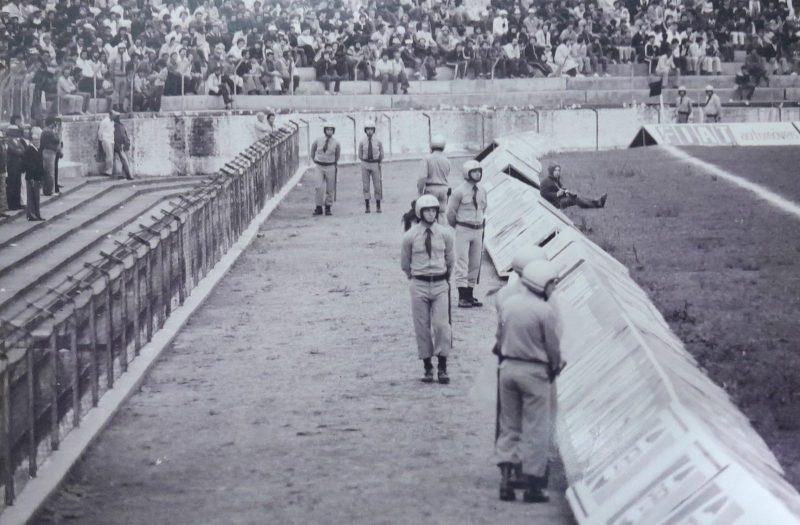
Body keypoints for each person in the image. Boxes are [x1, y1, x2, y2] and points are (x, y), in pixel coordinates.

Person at [495, 260, 563, 503]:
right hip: (534, 372)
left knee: (509, 424)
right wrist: (555, 367)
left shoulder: (509, 304)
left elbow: (498, 337)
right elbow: (552, 348)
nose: (553, 288)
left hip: (508, 368)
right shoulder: (545, 311)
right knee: (536, 427)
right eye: (551, 284)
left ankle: (505, 479)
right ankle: (533, 484)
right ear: (541, 284)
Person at [400, 194, 456, 384]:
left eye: (434, 210)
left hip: (440, 284)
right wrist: (415, 277)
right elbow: (405, 263)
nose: (431, 214)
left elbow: (451, 259)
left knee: (442, 325)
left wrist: (444, 278)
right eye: (427, 211)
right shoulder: (410, 236)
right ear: (420, 213)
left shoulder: (446, 234)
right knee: (422, 327)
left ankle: (442, 365)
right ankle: (427, 366)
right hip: (419, 285)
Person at [446, 160, 487, 309]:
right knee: (462, 261)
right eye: (474, 171)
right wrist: (458, 225)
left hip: (478, 229)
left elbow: (484, 208)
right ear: (467, 173)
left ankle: (470, 294)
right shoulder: (459, 192)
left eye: (479, 171)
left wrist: (479, 223)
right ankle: (462, 296)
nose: (477, 174)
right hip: (463, 228)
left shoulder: (482, 190)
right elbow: (450, 213)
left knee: (475, 262)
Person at [540, 165, 606, 209]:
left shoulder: (555, 179)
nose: (557, 172)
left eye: (558, 170)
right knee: (575, 199)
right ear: (551, 171)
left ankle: (596, 201)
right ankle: (596, 205)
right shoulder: (545, 182)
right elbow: (543, 194)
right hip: (555, 204)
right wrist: (556, 194)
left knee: (576, 196)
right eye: (555, 170)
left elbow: (560, 188)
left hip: (560, 200)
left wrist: (565, 191)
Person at [418, 135, 451, 221]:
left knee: (430, 215)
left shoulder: (427, 159)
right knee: (442, 214)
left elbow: (423, 177)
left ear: (431, 146)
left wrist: (420, 192)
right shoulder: (447, 160)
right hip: (444, 189)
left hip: (431, 188)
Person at [310, 124, 340, 216]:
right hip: (319, 166)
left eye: (331, 130)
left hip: (330, 166)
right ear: (324, 130)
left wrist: (333, 163)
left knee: (330, 188)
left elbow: (337, 155)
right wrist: (314, 160)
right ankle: (318, 207)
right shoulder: (318, 140)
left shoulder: (336, 143)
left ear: (333, 131)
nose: (329, 131)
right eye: (327, 129)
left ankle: (328, 207)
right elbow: (313, 150)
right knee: (318, 186)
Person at [359, 119, 384, 214]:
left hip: (375, 163)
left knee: (377, 185)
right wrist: (365, 161)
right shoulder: (362, 142)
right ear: (365, 130)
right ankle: (367, 206)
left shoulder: (378, 141)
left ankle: (378, 205)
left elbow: (381, 153)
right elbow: (360, 154)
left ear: (374, 130)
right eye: (367, 129)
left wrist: (378, 162)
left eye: (371, 129)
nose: (369, 131)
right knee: (366, 185)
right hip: (365, 163)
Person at [23, 127, 45, 221]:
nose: (37, 141)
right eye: (35, 140)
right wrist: (31, 177)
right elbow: (28, 164)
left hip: (37, 177)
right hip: (32, 177)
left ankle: (37, 214)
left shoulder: (38, 149)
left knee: (36, 197)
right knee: (31, 197)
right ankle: (31, 215)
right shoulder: (29, 150)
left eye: (38, 140)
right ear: (31, 141)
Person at [5, 116, 26, 211]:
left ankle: (17, 203)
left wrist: (20, 151)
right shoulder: (8, 141)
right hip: (12, 166)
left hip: (18, 166)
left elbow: (23, 150)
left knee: (17, 184)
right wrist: (20, 151)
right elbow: (15, 151)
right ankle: (12, 204)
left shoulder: (18, 141)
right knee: (12, 185)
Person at [40, 116, 61, 196]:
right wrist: (57, 132)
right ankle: (49, 191)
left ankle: (47, 190)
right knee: (49, 172)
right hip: (49, 152)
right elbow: (57, 139)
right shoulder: (48, 131)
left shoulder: (45, 131)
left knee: (48, 172)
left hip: (47, 152)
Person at [113, 112, 133, 180]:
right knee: (125, 160)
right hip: (125, 144)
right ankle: (125, 175)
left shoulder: (117, 126)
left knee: (124, 160)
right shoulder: (121, 125)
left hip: (122, 145)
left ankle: (129, 176)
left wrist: (119, 146)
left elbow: (120, 137)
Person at [97, 110, 115, 177]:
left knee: (111, 156)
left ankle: (109, 170)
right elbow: (100, 132)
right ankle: (108, 171)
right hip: (106, 139)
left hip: (111, 140)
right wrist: (101, 140)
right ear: (110, 115)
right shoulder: (104, 121)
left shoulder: (113, 122)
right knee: (109, 155)